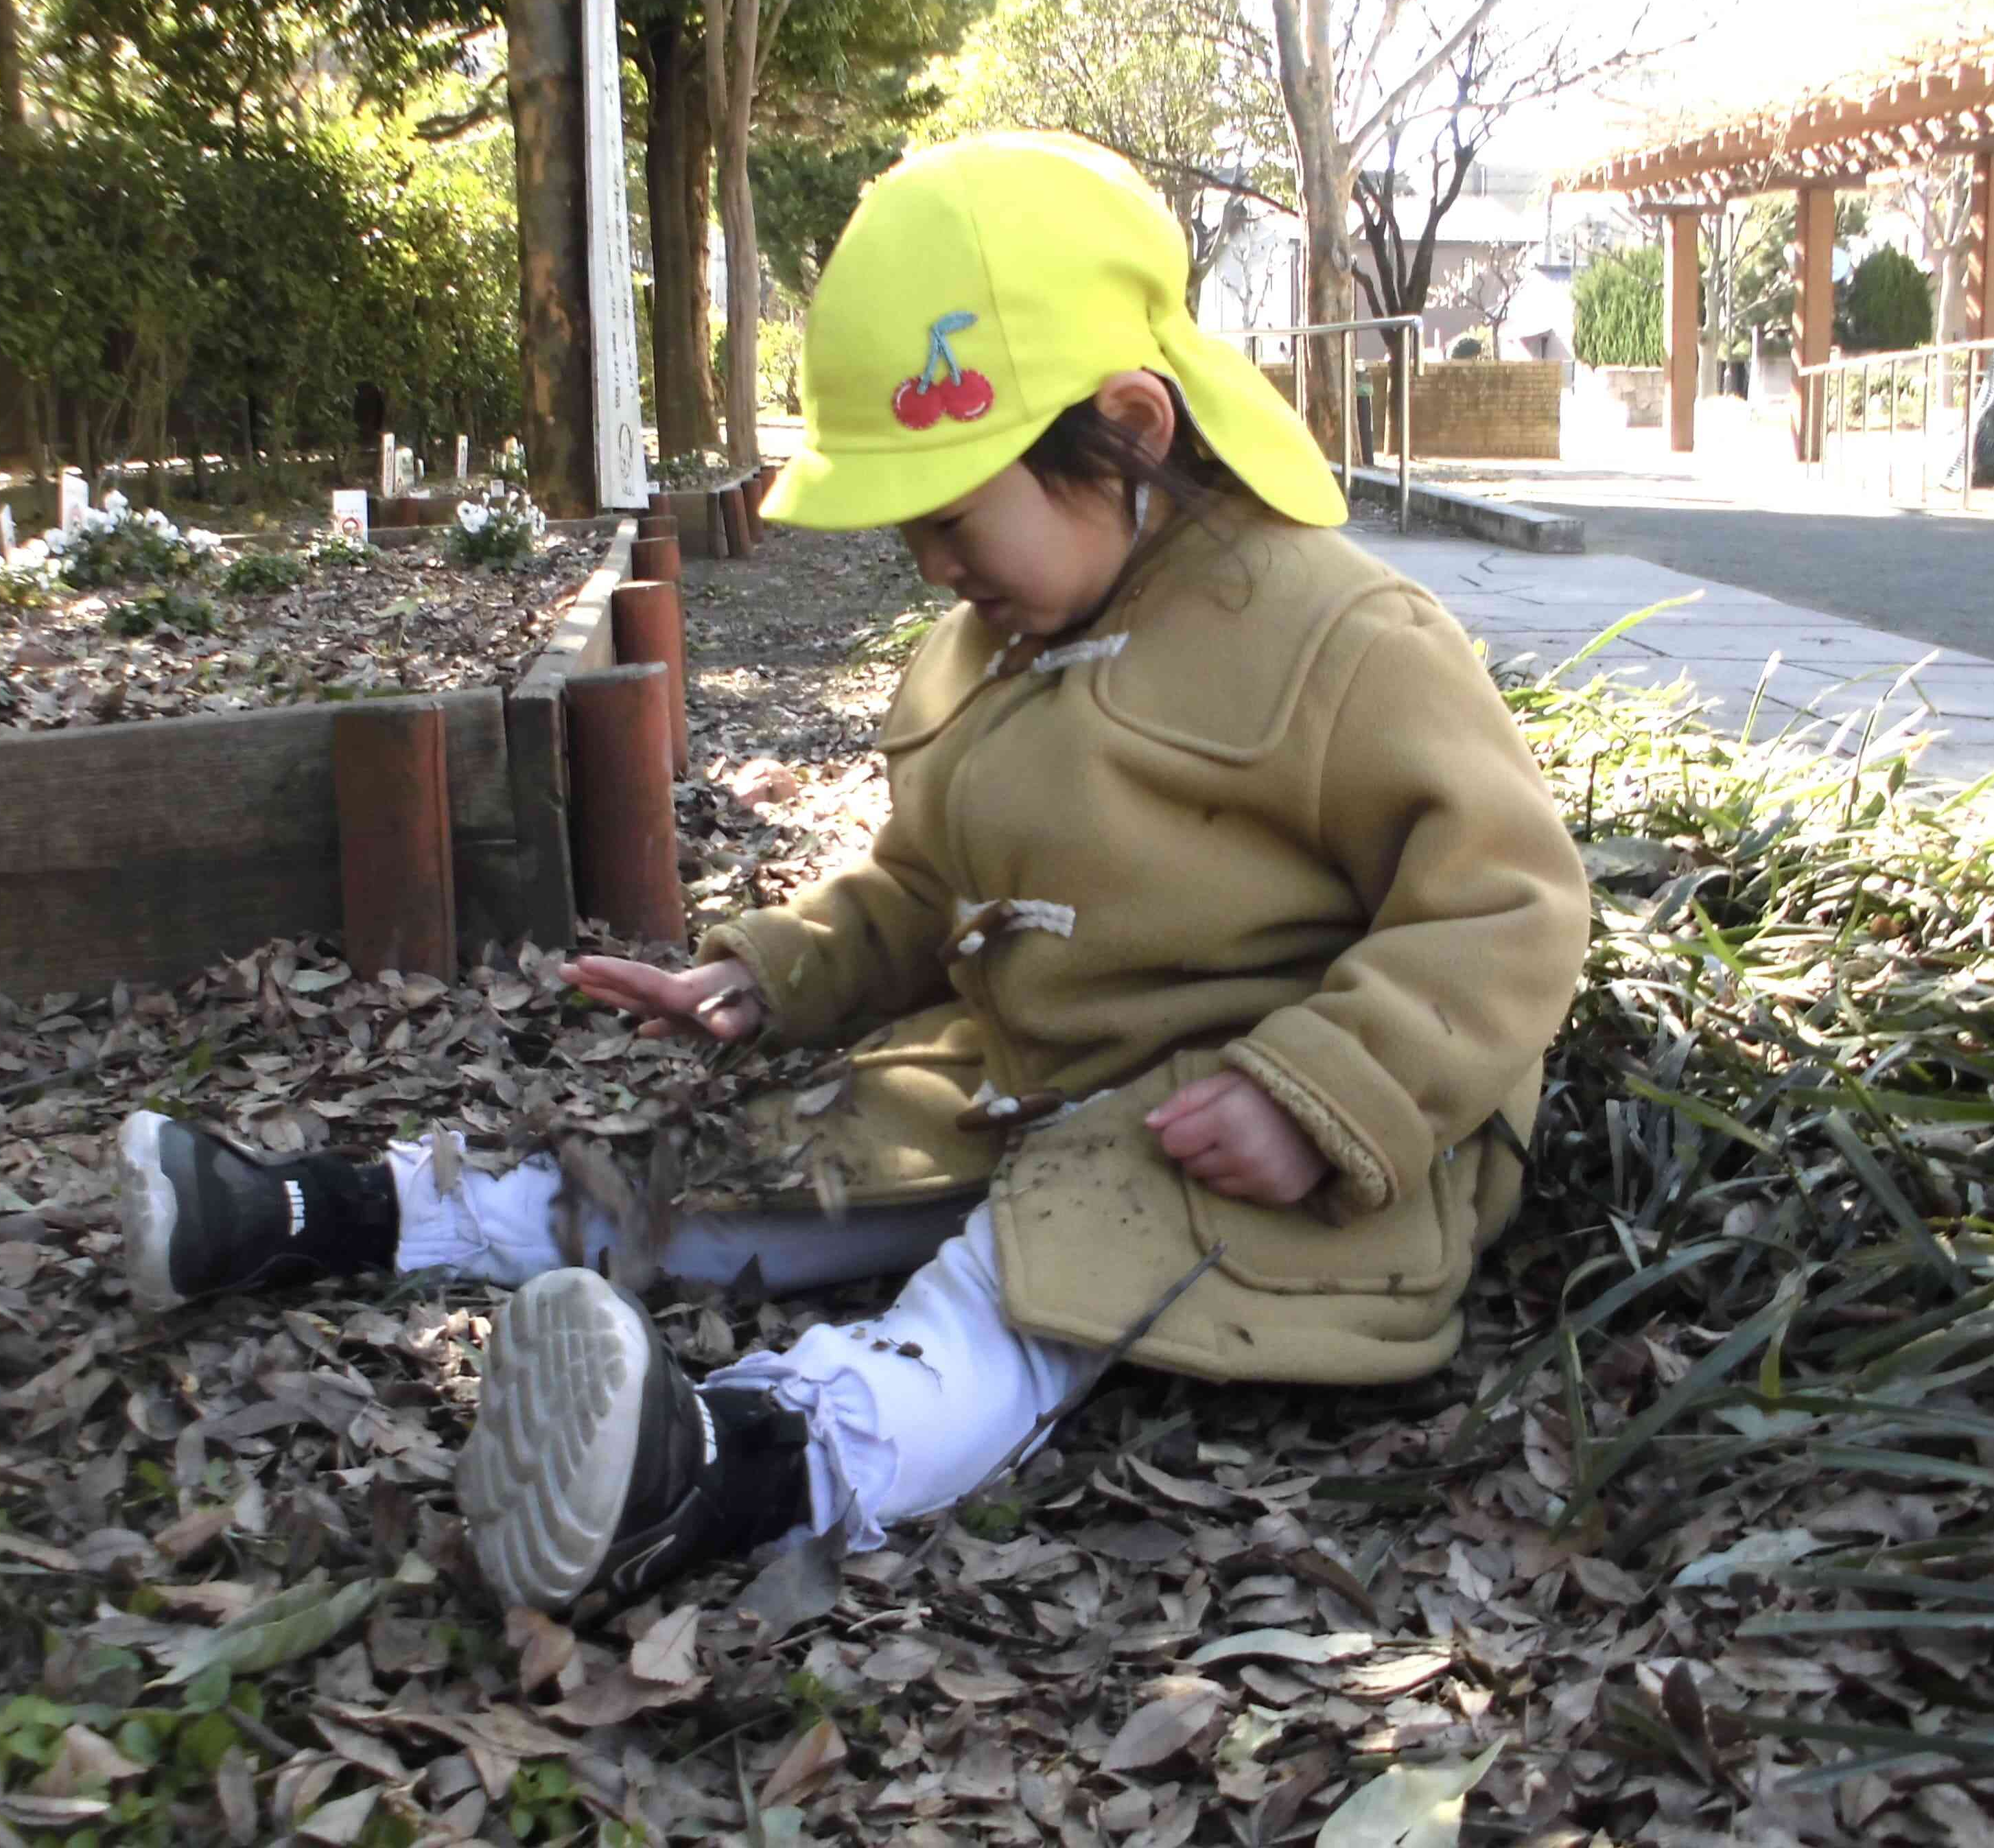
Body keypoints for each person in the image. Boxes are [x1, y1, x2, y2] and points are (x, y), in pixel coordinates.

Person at [110, 133, 1591, 1617]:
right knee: (738, 1174)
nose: (933, 566)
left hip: (1242, 1140)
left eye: (951, 517)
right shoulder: (994, 642)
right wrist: (776, 971)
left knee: (1013, 1293)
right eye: (909, 531)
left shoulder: (1341, 642)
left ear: (1129, 430)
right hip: (1010, 1080)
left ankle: (730, 1463)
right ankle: (327, 1214)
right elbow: (925, 889)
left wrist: (1321, 1095)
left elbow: (1508, 901)